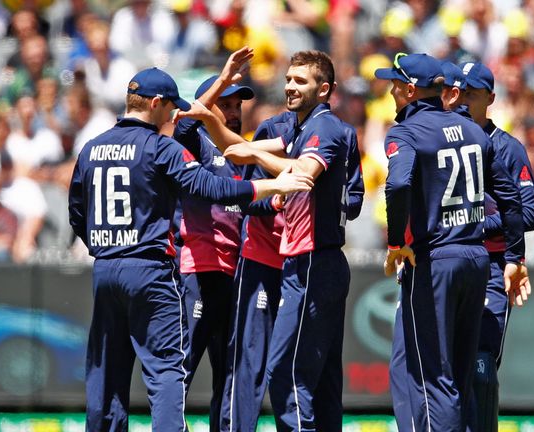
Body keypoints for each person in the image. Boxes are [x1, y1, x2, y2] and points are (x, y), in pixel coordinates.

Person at [67, 61, 313, 432]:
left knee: (107, 369)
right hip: (162, 268)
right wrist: (274, 187)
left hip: (110, 265)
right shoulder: (164, 147)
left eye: (236, 104)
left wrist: (107, 246)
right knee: (169, 370)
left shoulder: (91, 148)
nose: (173, 114)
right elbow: (209, 186)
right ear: (155, 104)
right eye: (170, 105)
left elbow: (77, 212)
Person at [204, 50, 358, 431]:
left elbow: (302, 175)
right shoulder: (298, 129)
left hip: (312, 262)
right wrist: (211, 116)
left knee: (287, 373)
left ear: (324, 90)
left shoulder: (323, 129)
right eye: (288, 79)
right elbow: (233, 149)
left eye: (300, 81)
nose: (290, 86)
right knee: (300, 372)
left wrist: (261, 161)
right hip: (299, 262)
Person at [375, 52, 530, 431]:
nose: (392, 92)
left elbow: (397, 184)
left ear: (411, 90)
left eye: (395, 85)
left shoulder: (406, 132)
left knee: (434, 378)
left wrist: (396, 242)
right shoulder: (476, 132)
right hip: (477, 259)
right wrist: (515, 257)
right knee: (459, 378)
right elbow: (511, 198)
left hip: (434, 261)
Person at [171, 75, 256, 432]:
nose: (234, 112)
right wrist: (221, 80)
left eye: (238, 105)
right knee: (183, 364)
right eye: (226, 104)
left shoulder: (245, 149)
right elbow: (185, 121)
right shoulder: (195, 144)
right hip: (199, 269)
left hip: (235, 273)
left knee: (229, 369)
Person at [460, 61, 534, 431]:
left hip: (491, 266)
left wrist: (474, 225)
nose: (462, 101)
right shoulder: (446, 142)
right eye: (457, 92)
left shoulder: (506, 148)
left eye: (472, 94)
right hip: (449, 264)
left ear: (490, 98)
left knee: (481, 363)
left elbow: (528, 214)